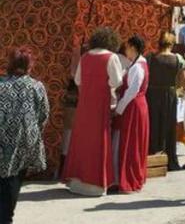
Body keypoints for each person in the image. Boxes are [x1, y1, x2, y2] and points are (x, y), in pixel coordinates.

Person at [62, 27, 125, 196]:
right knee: (99, 141)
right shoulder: (111, 57)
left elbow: (77, 80)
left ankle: (77, 182)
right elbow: (117, 81)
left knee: (81, 141)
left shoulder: (85, 57)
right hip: (100, 105)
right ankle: (96, 184)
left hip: (84, 105)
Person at [0, 48, 49, 221]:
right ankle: (7, 216)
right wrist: (32, 133)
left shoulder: (1, 85)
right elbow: (43, 115)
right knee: (14, 181)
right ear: (29, 65)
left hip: (2, 140)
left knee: (4, 181)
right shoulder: (37, 87)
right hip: (26, 141)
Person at [114, 35, 150, 193]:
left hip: (133, 106)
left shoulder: (137, 66)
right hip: (137, 105)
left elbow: (132, 91)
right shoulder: (139, 63)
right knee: (133, 142)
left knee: (130, 143)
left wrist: (119, 108)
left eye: (127, 47)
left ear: (133, 48)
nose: (125, 50)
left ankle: (129, 177)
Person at [147, 32, 185, 171]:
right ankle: (169, 158)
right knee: (169, 126)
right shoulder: (178, 59)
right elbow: (182, 79)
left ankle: (152, 156)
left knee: (153, 125)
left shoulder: (150, 58)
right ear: (172, 44)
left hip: (152, 94)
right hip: (169, 95)